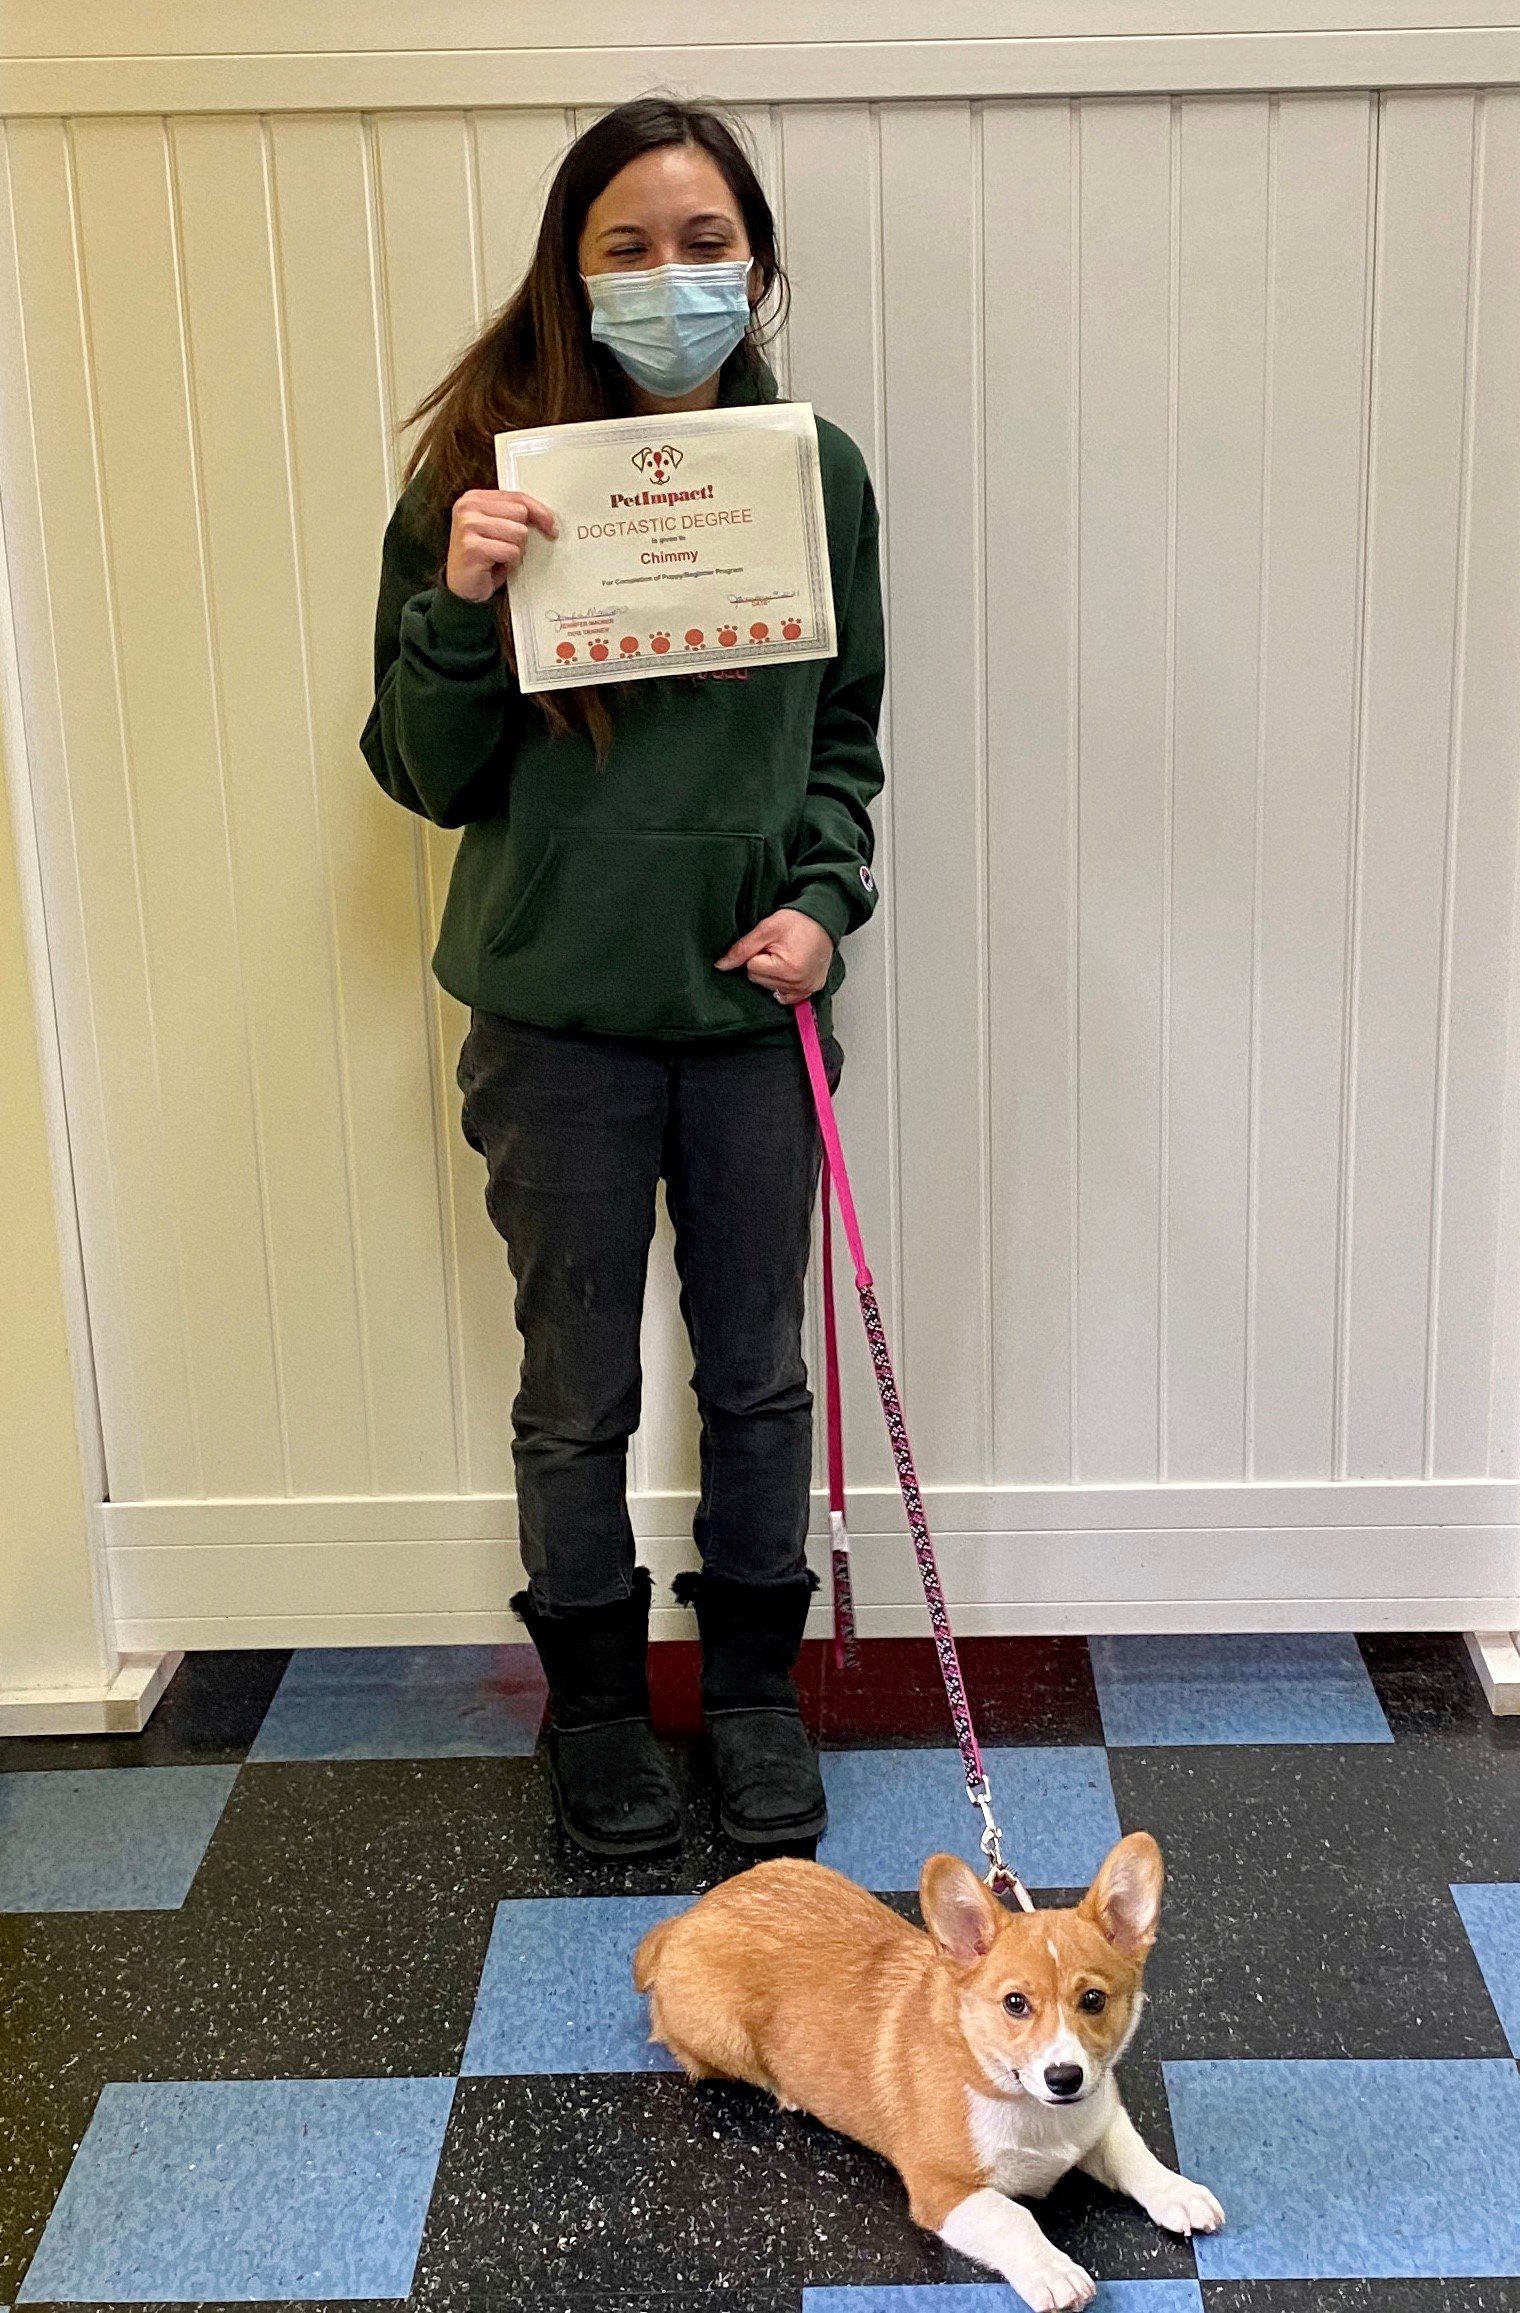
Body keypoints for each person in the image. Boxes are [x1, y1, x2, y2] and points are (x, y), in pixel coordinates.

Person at [360, 96, 885, 1860]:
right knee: (573, 1387)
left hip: (754, 1012)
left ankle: (748, 1694)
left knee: (755, 1374)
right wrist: (460, 603)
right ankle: (595, 1711)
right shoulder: (480, 478)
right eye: (630, 249)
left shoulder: (815, 473)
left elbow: (845, 736)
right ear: (569, 274)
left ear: (758, 261)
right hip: (554, 1026)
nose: (676, 280)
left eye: (707, 243)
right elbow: (424, 776)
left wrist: (824, 902)